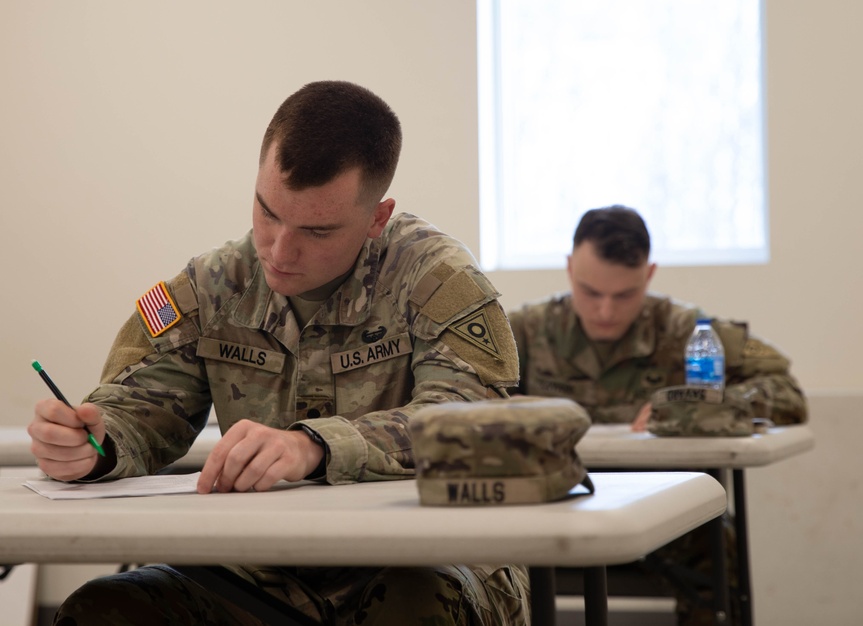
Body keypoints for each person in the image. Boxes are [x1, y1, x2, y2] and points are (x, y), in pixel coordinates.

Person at [27, 80, 528, 626]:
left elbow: (472, 425)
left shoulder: (433, 279)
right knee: (104, 611)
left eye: (317, 230)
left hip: (424, 561)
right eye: (267, 213)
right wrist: (93, 446)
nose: (279, 250)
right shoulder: (216, 286)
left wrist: (315, 446)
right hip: (260, 577)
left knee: (412, 611)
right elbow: (138, 411)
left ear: (377, 218)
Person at [507, 205, 807, 625]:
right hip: (547, 503)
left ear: (648, 275)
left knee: (717, 546)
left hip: (660, 506)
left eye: (624, 295)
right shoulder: (524, 329)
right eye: (590, 292)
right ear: (569, 268)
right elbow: (464, 398)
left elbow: (786, 390)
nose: (606, 311)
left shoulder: (687, 330)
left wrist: (695, 409)